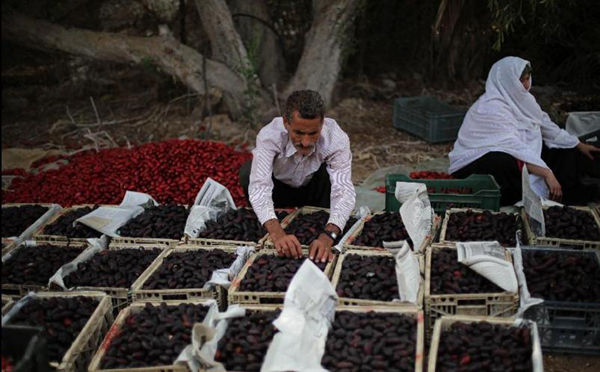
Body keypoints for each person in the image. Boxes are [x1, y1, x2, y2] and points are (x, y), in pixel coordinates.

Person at [448, 56, 600, 205]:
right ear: (507, 81)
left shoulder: (524, 100)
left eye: (528, 78)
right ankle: (516, 196)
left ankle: (568, 192)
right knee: (504, 161)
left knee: (563, 149)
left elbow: (546, 125)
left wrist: (578, 144)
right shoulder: (490, 108)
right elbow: (513, 147)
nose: (526, 85)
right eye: (521, 80)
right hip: (478, 162)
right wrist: (546, 172)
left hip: (520, 156)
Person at [239, 90, 356, 262]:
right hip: (279, 190)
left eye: (313, 133)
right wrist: (277, 234)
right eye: (299, 133)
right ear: (286, 123)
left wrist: (328, 235)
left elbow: (343, 189)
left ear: (322, 123)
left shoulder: (336, 139)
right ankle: (270, 218)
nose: (306, 142)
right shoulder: (270, 136)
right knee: (248, 172)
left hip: (315, 187)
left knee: (330, 178)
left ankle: (323, 218)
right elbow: (260, 186)